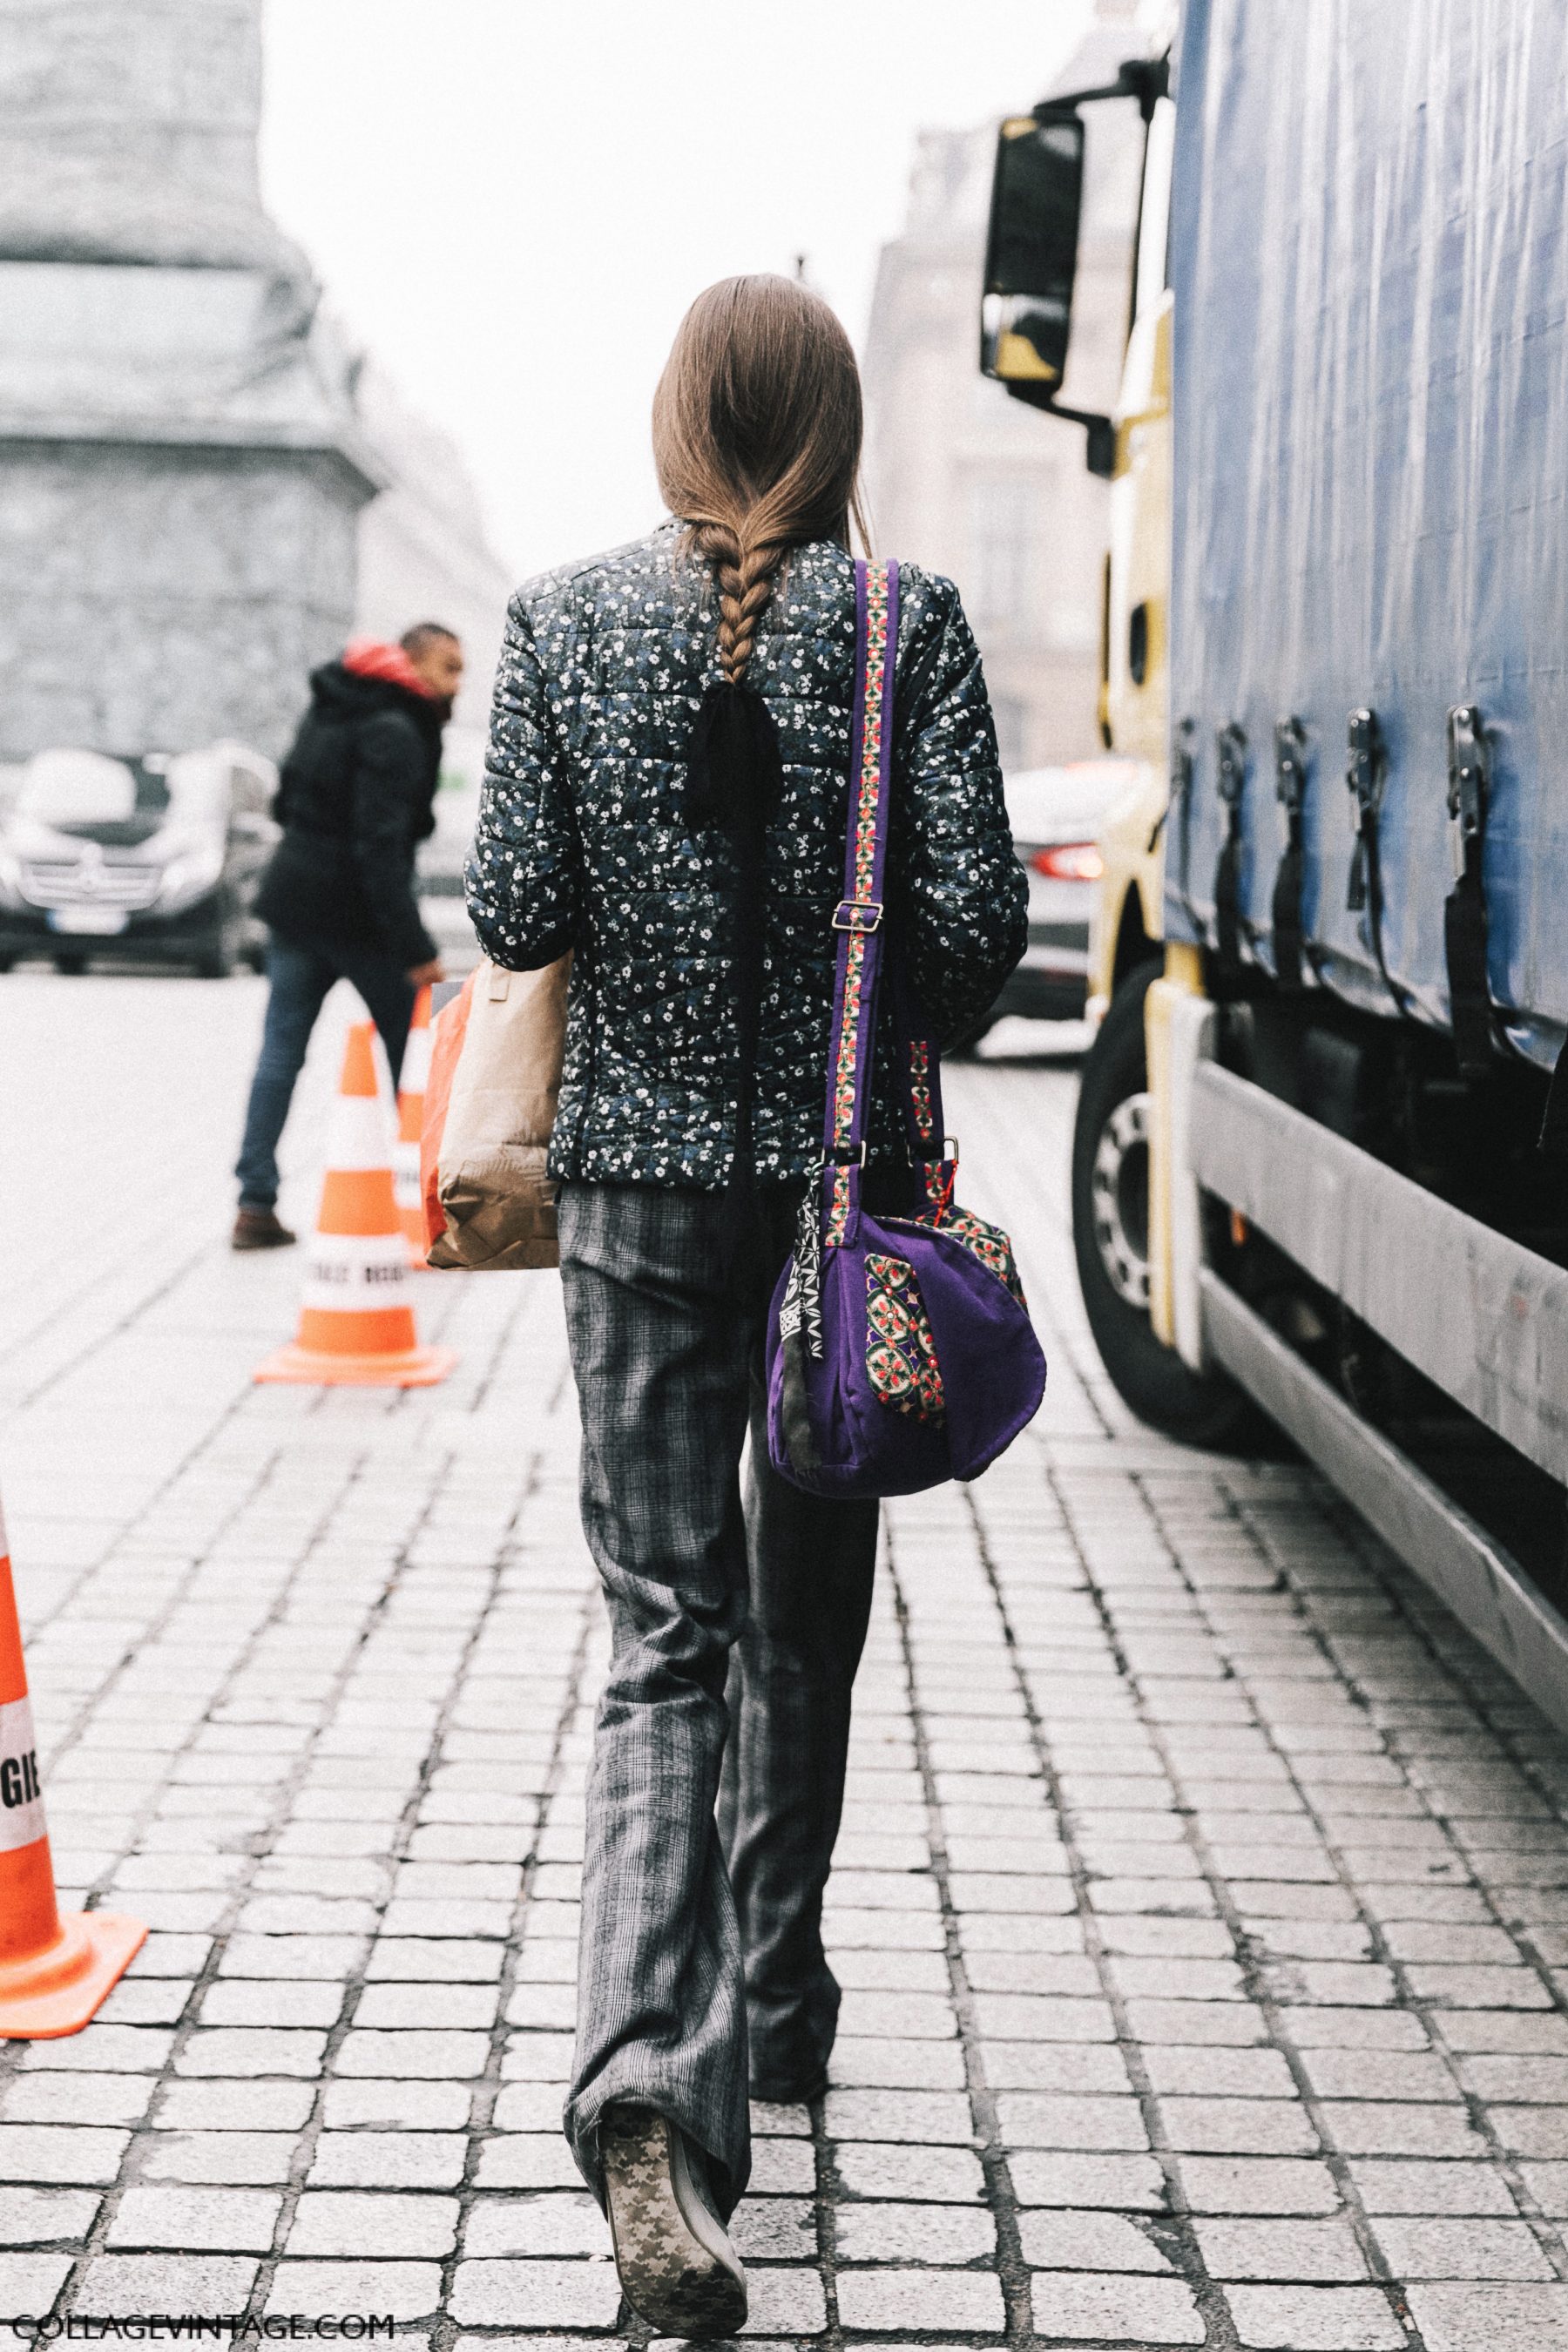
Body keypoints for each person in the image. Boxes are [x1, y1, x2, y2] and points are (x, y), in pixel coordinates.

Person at [467, 276, 1025, 2338]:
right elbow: (969, 939)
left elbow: (516, 911)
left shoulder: (557, 618)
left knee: (662, 1631)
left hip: (629, 1201)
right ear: (840, 426)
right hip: (839, 1213)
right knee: (805, 1614)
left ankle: (645, 2079)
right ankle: (770, 1997)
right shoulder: (912, 626)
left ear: (674, 417)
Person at [231, 624, 462, 1248]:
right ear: (412, 665)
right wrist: (416, 950)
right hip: (360, 921)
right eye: (449, 667)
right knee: (412, 1060)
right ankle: (425, 1206)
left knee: (279, 1056)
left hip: (295, 907)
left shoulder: (330, 709)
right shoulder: (397, 730)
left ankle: (254, 1203)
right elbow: (380, 848)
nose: (457, 684)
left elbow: (287, 805)